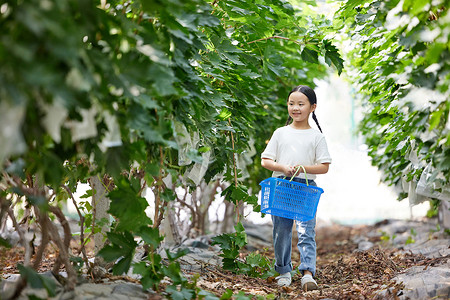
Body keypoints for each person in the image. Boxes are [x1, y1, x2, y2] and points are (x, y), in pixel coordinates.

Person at [261, 85, 332, 291]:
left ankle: (308, 273)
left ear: (312, 107)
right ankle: (283, 271)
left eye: (301, 104)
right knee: (280, 230)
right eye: (292, 103)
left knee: (306, 230)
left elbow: (324, 166)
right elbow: (266, 160)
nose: (295, 108)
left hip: (306, 188)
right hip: (282, 185)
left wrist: (303, 169)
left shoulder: (317, 137)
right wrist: (283, 167)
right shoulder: (280, 133)